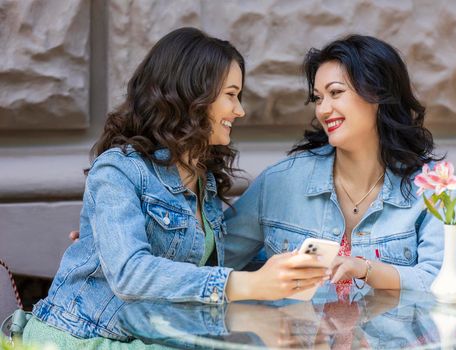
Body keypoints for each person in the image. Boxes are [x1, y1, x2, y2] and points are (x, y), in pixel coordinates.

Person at [23, 27, 329, 345]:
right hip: (86, 338)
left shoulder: (202, 182)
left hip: (152, 338)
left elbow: (205, 267)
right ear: (193, 95)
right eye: (230, 94)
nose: (240, 110)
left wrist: (292, 267)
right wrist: (246, 284)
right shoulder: (119, 168)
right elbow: (130, 274)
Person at [224, 34, 456, 293]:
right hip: (297, 333)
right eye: (318, 98)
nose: (323, 109)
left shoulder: (435, 190)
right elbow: (214, 263)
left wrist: (366, 270)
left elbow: (440, 283)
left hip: (392, 334)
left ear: (377, 94)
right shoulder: (280, 183)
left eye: (336, 93)